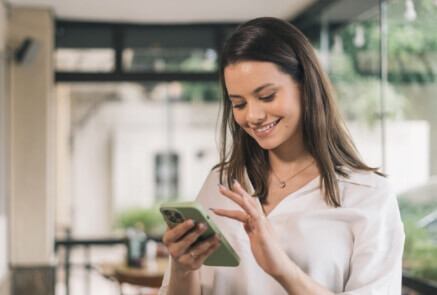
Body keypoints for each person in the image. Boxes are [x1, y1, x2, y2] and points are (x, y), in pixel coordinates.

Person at [158, 17, 405, 295]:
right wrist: (183, 268)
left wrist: (283, 270)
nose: (252, 116)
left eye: (266, 96)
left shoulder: (369, 196)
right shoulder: (221, 183)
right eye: (238, 103)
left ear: (305, 85)